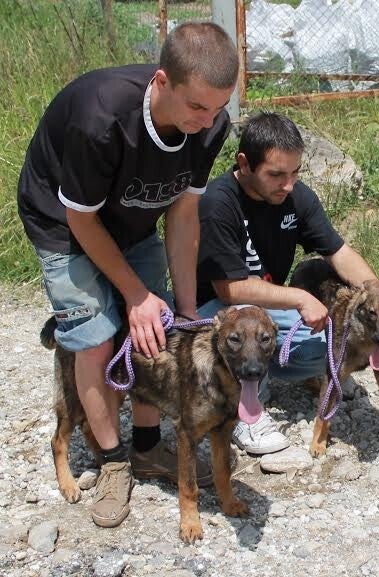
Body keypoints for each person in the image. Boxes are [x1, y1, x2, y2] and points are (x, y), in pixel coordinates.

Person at [17, 22, 239, 527]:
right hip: (63, 221)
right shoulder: (101, 118)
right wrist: (135, 295)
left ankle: (146, 446)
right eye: (197, 107)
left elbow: (184, 214)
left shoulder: (210, 124)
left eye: (218, 108)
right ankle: (113, 461)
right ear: (162, 82)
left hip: (132, 216)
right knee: (95, 338)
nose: (207, 122)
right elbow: (81, 220)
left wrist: (185, 309)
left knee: (157, 331)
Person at [196, 111, 377, 455]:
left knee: (339, 343)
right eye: (276, 174)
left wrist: (375, 294)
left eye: (295, 173)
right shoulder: (218, 203)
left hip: (264, 311)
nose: (288, 184)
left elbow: (338, 253)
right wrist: (299, 298)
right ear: (244, 164)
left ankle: (281, 370)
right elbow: (229, 289)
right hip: (216, 312)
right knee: (246, 322)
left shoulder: (295, 197)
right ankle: (245, 412)